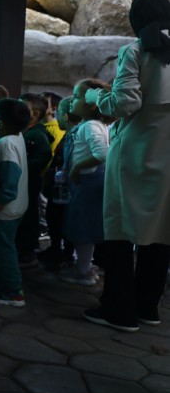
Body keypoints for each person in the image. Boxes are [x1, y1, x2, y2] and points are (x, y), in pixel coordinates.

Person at [84, 0, 170, 332]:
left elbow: (125, 103)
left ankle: (119, 309)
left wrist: (96, 96)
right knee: (161, 231)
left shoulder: (135, 50)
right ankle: (148, 306)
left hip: (137, 149)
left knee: (119, 229)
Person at [59, 78, 111, 290]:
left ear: (92, 104)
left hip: (88, 183)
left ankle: (84, 271)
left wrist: (76, 167)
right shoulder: (91, 125)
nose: (72, 100)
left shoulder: (91, 126)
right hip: (86, 182)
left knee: (83, 228)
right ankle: (84, 265)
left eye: (77, 96)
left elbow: (102, 154)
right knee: (83, 226)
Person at [0, 99, 30, 307]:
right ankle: (3, 284)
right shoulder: (17, 136)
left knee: (3, 250)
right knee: (5, 247)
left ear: (0, 123)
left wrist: (0, 201)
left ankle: (14, 291)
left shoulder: (4, 144)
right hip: (18, 206)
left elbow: (10, 179)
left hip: (6, 209)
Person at [37, 98, 79, 271]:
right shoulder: (68, 135)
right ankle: (56, 249)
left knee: (61, 221)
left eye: (58, 113)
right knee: (53, 220)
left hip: (65, 190)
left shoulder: (74, 136)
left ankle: (65, 255)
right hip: (58, 189)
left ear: (66, 116)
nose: (56, 116)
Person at [15, 93, 54, 267]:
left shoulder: (37, 134)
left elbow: (44, 155)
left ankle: (27, 251)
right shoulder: (26, 131)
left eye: (22, 107)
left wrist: (24, 170)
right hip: (25, 181)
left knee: (29, 215)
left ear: (35, 114)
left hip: (29, 181)